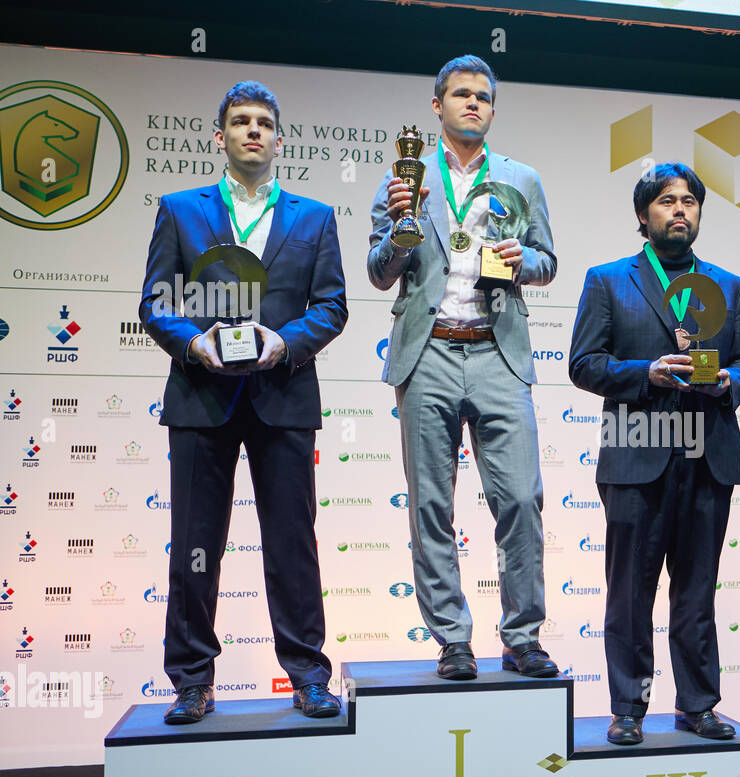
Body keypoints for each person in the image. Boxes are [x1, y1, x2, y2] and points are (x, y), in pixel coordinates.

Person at [139, 81, 347, 724]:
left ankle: (309, 674)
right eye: (239, 122)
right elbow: (155, 303)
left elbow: (332, 306)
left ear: (279, 138)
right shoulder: (180, 210)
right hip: (202, 395)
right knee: (195, 545)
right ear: (220, 136)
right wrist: (194, 343)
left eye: (262, 122)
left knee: (293, 544)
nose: (252, 131)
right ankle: (192, 680)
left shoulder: (313, 217)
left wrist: (283, 343)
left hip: (282, 394)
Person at [367, 55, 558, 681]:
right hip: (429, 353)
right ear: (437, 106)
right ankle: (452, 639)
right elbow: (378, 272)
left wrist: (519, 256)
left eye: (483, 97)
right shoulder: (404, 179)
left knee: (522, 500)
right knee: (430, 506)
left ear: (493, 110)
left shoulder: (521, 178)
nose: (472, 104)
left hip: (499, 349)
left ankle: (523, 637)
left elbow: (548, 261)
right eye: (460, 95)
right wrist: (400, 230)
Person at [569, 163, 740, 745]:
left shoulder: (728, 285)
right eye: (666, 201)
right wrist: (646, 373)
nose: (680, 210)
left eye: (690, 202)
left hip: (709, 456)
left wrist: (730, 382)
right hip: (636, 455)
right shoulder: (608, 280)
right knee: (631, 589)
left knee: (697, 589)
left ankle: (697, 705)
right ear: (643, 215)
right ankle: (628, 706)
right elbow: (584, 365)